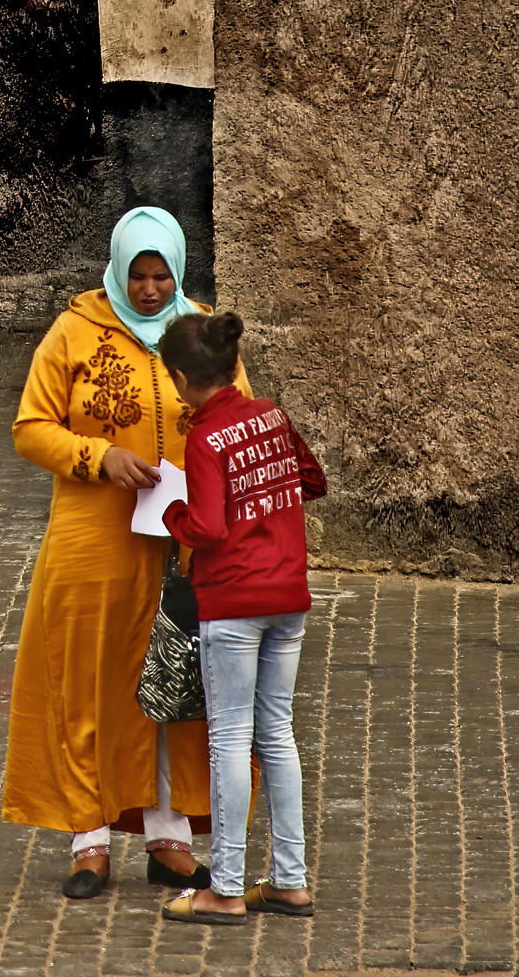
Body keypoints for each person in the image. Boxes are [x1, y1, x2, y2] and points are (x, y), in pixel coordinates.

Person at [3, 207, 247, 898]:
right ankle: (88, 838)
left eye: (159, 274)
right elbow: (30, 428)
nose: (147, 288)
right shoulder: (73, 332)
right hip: (92, 543)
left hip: (182, 546)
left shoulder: (198, 331)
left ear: (177, 270)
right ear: (115, 271)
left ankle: (167, 836)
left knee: (169, 687)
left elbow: (240, 412)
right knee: (87, 684)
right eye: (136, 275)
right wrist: (97, 457)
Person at [156, 310, 326, 925]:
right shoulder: (271, 414)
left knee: (228, 738)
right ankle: (289, 879)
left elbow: (205, 527)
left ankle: (224, 887)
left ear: (180, 378)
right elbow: (312, 478)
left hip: (232, 601)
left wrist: (172, 513)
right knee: (276, 733)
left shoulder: (203, 439)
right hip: (288, 593)